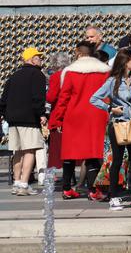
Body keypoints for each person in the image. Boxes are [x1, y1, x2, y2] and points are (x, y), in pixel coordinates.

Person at [89, 49, 131, 211]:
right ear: (125, 62)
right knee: (118, 160)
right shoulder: (113, 81)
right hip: (119, 124)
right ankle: (113, 197)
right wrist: (110, 108)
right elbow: (94, 98)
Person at [49, 43, 109, 200]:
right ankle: (93, 190)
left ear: (78, 54)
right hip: (97, 115)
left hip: (74, 116)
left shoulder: (70, 72)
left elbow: (64, 98)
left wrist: (58, 119)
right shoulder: (104, 71)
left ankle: (67, 189)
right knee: (93, 153)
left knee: (69, 153)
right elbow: (108, 95)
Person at [0, 47, 48, 196]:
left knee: (18, 151)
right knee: (30, 150)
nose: (41, 59)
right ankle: (24, 184)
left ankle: (16, 183)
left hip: (13, 119)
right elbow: (37, 98)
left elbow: (4, 99)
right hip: (29, 119)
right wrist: (41, 114)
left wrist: (5, 115)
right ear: (30, 59)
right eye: (38, 57)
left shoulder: (13, 76)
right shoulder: (38, 75)